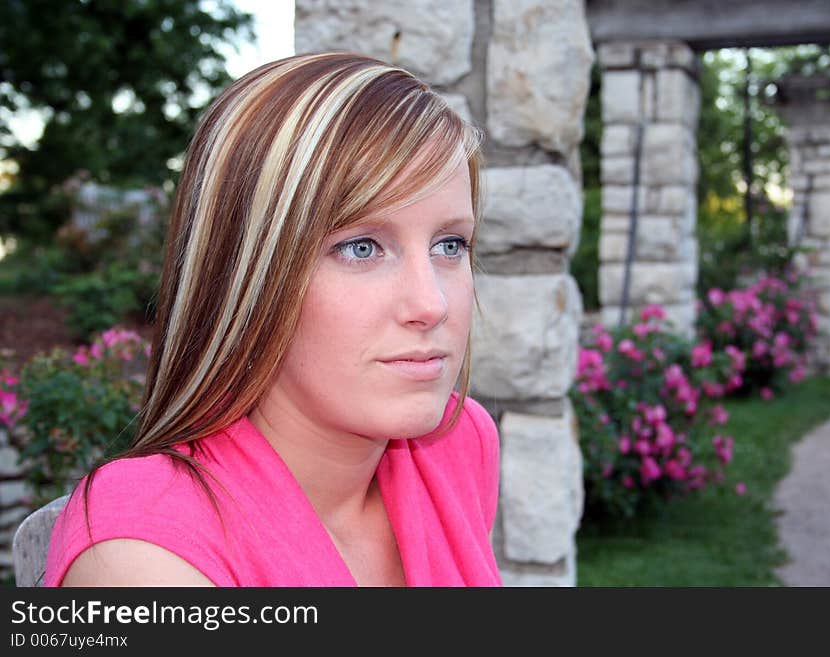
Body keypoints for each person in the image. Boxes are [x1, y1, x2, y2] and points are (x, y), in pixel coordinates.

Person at [44, 52, 502, 587]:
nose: (432, 304)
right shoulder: (143, 558)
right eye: (360, 247)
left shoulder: (457, 444)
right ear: (246, 274)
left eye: (450, 244)